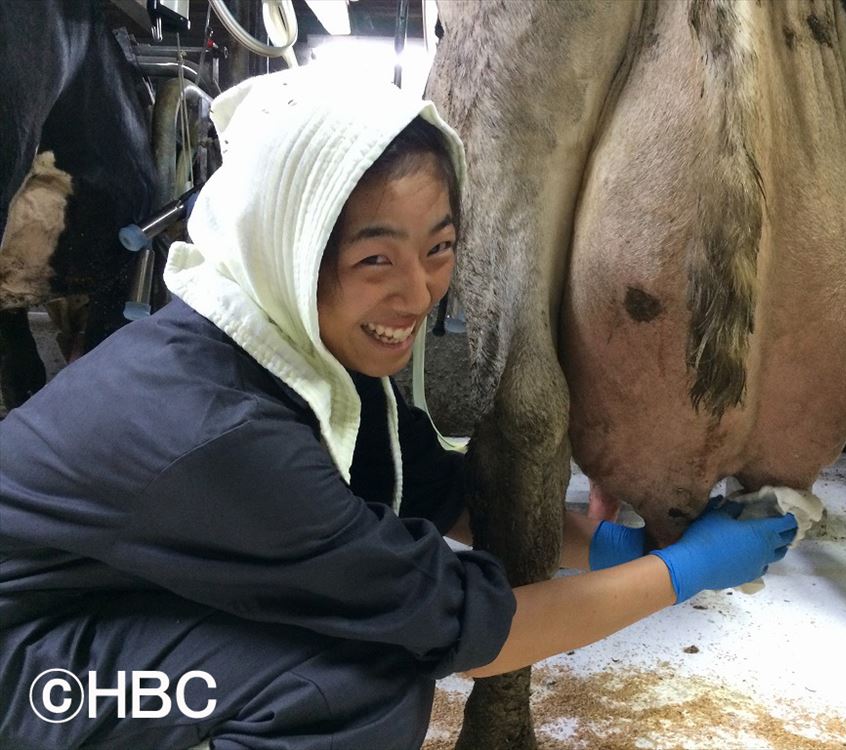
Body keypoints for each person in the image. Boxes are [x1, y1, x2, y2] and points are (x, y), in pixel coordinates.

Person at [0, 66, 797, 750]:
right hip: (24, 671)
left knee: (348, 654)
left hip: (96, 604)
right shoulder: (222, 433)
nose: (417, 294)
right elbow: (474, 635)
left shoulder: (295, 352)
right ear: (290, 245)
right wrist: (683, 572)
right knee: (349, 685)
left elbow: (442, 495)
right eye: (375, 258)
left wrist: (617, 546)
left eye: (438, 249)